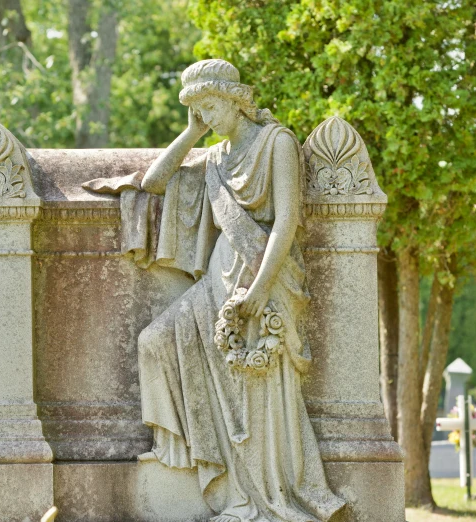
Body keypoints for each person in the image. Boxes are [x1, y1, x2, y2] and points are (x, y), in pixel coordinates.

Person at [93, 59, 344, 522]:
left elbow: (286, 221)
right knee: (155, 342)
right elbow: (154, 183)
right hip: (215, 283)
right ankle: (205, 476)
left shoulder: (277, 143)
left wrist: (260, 289)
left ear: (235, 100)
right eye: (198, 110)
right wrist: (191, 134)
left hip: (262, 283)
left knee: (254, 395)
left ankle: (262, 499)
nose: (205, 116)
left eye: (210, 106)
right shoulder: (215, 158)